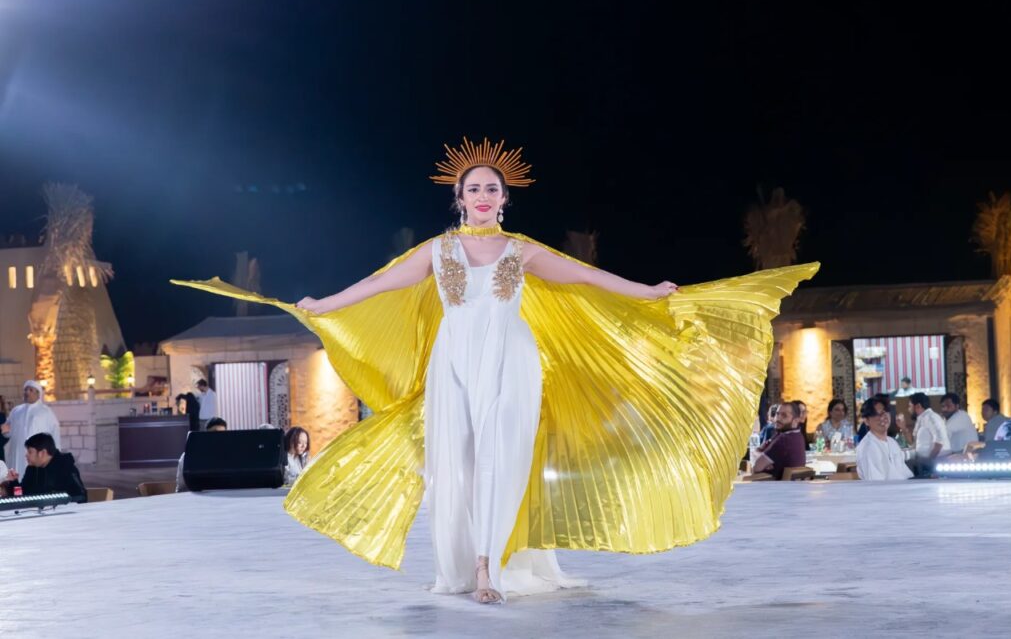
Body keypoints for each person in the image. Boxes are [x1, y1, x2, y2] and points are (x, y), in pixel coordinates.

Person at [173, 136, 819, 604]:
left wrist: (647, 291)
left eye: (492, 188)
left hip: (512, 359)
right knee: (456, 461)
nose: (483, 195)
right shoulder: (437, 251)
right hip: (453, 361)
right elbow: (376, 284)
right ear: (458, 198)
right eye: (473, 188)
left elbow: (586, 276)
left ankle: (489, 566)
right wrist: (325, 303)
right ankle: (461, 565)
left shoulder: (521, 251)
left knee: (502, 459)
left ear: (504, 198)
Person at [2, 433, 86, 503]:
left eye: (30, 452)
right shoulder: (32, 469)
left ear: (42, 453)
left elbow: (80, 496)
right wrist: (13, 482)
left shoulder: (65, 467)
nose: (26, 455)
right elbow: (24, 495)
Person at [0, 381, 62, 476]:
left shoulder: (46, 412)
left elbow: (55, 434)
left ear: (38, 394)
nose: (27, 392)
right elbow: (8, 431)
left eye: (31, 390)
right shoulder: (16, 411)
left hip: (38, 455)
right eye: (25, 390)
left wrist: (56, 456)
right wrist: (4, 431)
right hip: (18, 453)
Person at [855, 403, 912, 481]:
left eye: (884, 413)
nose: (882, 418)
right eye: (876, 414)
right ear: (866, 421)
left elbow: (904, 474)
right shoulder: (868, 447)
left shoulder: (892, 442)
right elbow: (875, 484)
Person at [752, 402, 806, 480]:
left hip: (772, 486)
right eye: (777, 414)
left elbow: (757, 468)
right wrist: (762, 458)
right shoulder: (798, 436)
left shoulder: (783, 440)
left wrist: (758, 455)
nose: (778, 419)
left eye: (784, 415)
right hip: (792, 486)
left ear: (795, 421)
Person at [175, 417, 228, 492]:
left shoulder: (230, 456)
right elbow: (181, 488)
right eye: (214, 433)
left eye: (222, 434)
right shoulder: (188, 456)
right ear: (205, 435)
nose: (218, 437)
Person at [909, 392, 950, 476]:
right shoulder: (921, 418)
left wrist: (930, 461)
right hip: (924, 463)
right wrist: (903, 427)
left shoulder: (931, 417)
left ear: (918, 406)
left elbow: (940, 440)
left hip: (936, 463)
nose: (908, 409)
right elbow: (914, 443)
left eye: (910, 406)